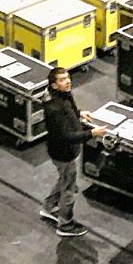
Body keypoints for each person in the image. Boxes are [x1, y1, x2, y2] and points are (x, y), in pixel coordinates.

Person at [39, 65, 107, 238]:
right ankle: (65, 224)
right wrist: (92, 133)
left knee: (64, 180)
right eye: (62, 80)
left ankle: (49, 207)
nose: (68, 81)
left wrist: (79, 113)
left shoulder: (62, 96)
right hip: (63, 153)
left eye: (68, 77)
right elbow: (67, 136)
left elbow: (68, 110)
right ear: (54, 85)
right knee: (69, 188)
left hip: (63, 151)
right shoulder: (54, 109)